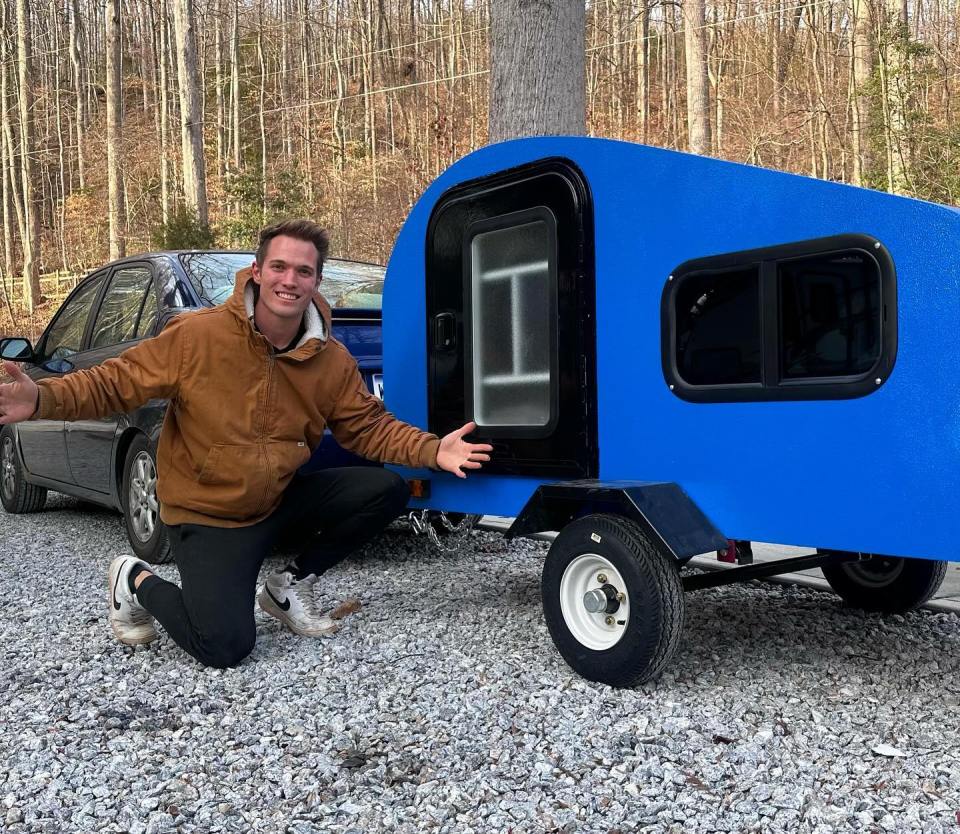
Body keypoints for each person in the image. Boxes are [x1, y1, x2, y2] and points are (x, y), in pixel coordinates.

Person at [0, 219, 492, 668]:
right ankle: (134, 579)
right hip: (208, 515)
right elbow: (113, 383)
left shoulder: (330, 358)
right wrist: (40, 398)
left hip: (275, 500)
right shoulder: (196, 336)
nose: (289, 280)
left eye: (303, 271)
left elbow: (366, 427)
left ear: (316, 282)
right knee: (224, 646)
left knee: (386, 488)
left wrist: (434, 450)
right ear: (257, 272)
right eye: (278, 266)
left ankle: (286, 587)